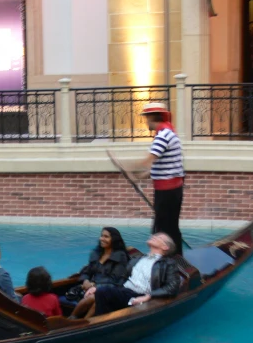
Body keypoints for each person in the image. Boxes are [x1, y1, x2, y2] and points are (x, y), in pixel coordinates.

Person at [131, 102, 185, 256]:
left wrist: (129, 167)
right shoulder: (167, 132)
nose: (146, 122)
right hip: (169, 190)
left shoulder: (163, 135)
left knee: (164, 229)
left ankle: (170, 260)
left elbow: (149, 160)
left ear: (151, 117)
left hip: (168, 192)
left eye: (146, 118)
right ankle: (174, 257)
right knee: (167, 227)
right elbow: (158, 165)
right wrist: (139, 177)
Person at [92, 233, 180, 316]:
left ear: (165, 247)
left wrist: (149, 296)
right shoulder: (137, 258)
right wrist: (97, 286)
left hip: (140, 295)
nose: (154, 236)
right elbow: (121, 278)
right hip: (124, 291)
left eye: (159, 237)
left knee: (102, 292)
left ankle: (99, 322)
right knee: (99, 291)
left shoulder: (168, 263)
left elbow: (172, 287)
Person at [69, 227, 130, 319]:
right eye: (101, 236)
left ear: (114, 239)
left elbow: (115, 280)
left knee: (94, 298)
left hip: (110, 289)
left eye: (106, 237)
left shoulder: (120, 257)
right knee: (94, 297)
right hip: (89, 287)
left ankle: (75, 320)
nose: (102, 239)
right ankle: (75, 321)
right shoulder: (96, 254)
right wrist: (85, 281)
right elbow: (86, 271)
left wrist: (95, 286)